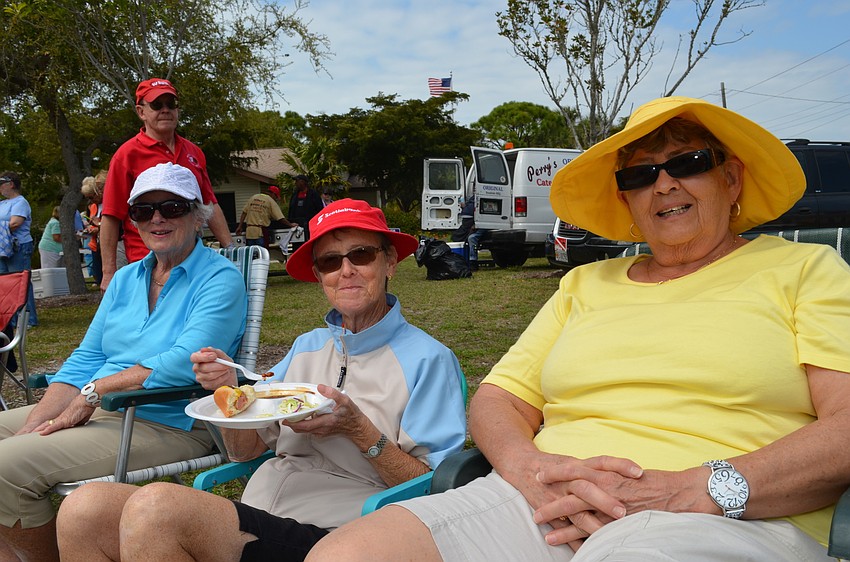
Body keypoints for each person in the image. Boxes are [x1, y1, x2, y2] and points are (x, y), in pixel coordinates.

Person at [308, 97, 850, 562]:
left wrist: (698, 487)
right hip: (545, 500)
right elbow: (499, 398)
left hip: (726, 516)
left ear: (731, 179)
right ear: (626, 200)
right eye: (639, 174)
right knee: (348, 553)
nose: (663, 185)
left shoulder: (803, 271)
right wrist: (533, 469)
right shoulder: (585, 284)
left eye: (688, 161)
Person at [55, 198, 467, 562]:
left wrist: (359, 430)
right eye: (329, 261)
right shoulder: (308, 346)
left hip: (342, 533)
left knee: (156, 509)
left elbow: (435, 486)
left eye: (360, 255)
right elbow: (245, 449)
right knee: (84, 510)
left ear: (389, 262)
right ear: (319, 276)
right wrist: (226, 395)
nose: (346, 271)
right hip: (263, 511)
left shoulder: (428, 360)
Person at [0, 162, 247, 562]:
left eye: (172, 207)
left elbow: (186, 362)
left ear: (198, 215)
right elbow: (87, 357)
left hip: (168, 420)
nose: (157, 219)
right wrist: (39, 420)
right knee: (15, 443)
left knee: (5, 466)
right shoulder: (126, 279)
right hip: (103, 414)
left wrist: (96, 392)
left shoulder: (219, 279)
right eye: (143, 211)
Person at [99, 77, 233, 292]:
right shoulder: (126, 155)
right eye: (156, 105)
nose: (165, 110)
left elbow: (210, 204)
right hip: (147, 264)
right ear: (141, 112)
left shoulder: (193, 152)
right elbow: (111, 215)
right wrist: (108, 273)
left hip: (192, 261)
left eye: (171, 104)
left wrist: (231, 249)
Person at [0, 171, 38, 328]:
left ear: (11, 184)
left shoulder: (21, 203)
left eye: (2, 184)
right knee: (5, 284)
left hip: (18, 246)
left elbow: (15, 223)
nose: (0, 188)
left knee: (21, 283)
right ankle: (11, 319)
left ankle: (28, 319)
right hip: (3, 248)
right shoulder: (2, 204)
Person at [80, 171, 107, 285]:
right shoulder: (93, 206)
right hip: (96, 245)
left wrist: (99, 227)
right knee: (98, 275)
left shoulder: (108, 204)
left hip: (107, 245)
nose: (90, 201)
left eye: (91, 197)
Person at [288, 174, 323, 247]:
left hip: (310, 226)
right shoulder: (295, 195)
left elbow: (320, 210)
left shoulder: (313, 194)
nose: (296, 183)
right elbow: (291, 210)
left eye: (297, 181)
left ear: (303, 182)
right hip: (297, 226)